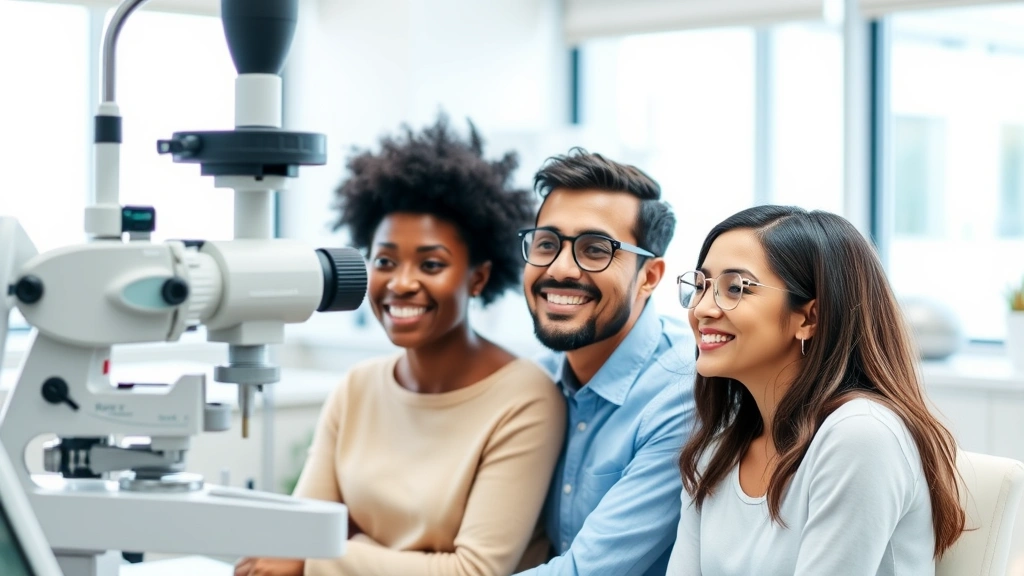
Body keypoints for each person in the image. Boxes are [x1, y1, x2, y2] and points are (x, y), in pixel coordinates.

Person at [234, 116, 566, 576]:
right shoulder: (357, 388)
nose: (402, 283)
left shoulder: (526, 399)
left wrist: (317, 557)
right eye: (385, 261)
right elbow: (300, 531)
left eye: (431, 264)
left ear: (478, 278)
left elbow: (474, 571)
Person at [668, 205, 965, 575]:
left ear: (809, 317)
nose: (701, 309)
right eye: (700, 286)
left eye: (734, 288)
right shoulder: (715, 452)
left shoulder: (860, 435)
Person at [514, 149, 695, 576]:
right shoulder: (537, 381)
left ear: (649, 277)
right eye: (546, 244)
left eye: (595, 250)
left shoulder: (685, 390)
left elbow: (584, 572)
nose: (559, 268)